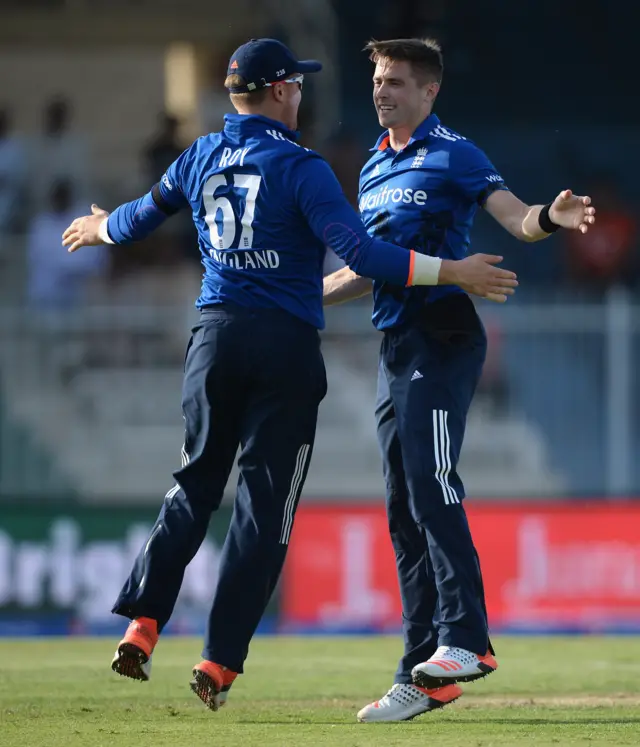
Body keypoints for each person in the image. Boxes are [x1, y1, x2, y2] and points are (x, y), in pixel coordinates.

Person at [61, 38, 518, 712]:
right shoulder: (304, 169)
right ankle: (219, 660)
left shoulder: (199, 156)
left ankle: (143, 621)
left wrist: (99, 227)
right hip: (283, 349)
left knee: (192, 485)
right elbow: (363, 253)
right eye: (297, 85)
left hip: (212, 338)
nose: (303, 93)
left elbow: (134, 220)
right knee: (265, 510)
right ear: (278, 91)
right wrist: (453, 270)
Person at [323, 38, 596, 723]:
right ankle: (422, 674)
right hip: (395, 344)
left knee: (430, 478)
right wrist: (293, 293)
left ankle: (467, 639)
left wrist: (548, 219)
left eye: (396, 82)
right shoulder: (375, 167)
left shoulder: (455, 152)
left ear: (429, 91)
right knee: (402, 509)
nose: (382, 91)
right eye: (379, 80)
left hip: (442, 335)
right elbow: (367, 266)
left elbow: (513, 216)